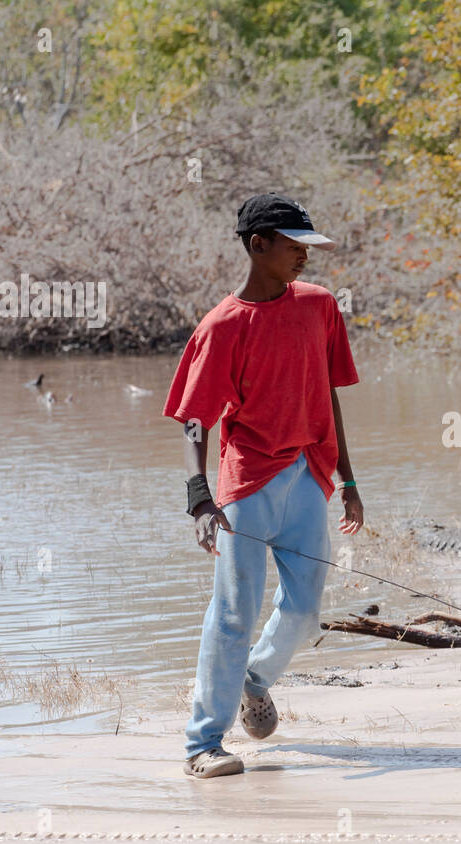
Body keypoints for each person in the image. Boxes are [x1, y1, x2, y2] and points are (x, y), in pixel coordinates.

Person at [162, 193, 363, 778]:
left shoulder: (320, 307)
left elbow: (329, 394)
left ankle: (253, 680)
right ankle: (203, 745)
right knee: (231, 614)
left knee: (304, 613)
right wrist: (198, 493)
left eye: (307, 246)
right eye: (294, 245)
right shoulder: (222, 326)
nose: (304, 256)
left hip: (308, 474)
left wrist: (347, 476)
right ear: (259, 245)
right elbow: (196, 416)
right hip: (247, 482)